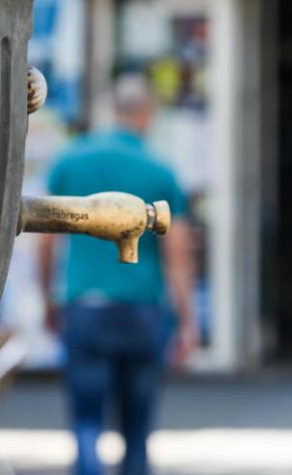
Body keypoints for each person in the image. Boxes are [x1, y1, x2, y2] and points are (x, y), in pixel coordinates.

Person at [39, 74, 196, 475]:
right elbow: (177, 253)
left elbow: (47, 242)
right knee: (137, 425)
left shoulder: (71, 161)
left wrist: (48, 299)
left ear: (114, 109)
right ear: (147, 114)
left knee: (87, 421)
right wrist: (186, 320)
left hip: (84, 305)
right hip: (141, 309)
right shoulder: (159, 170)